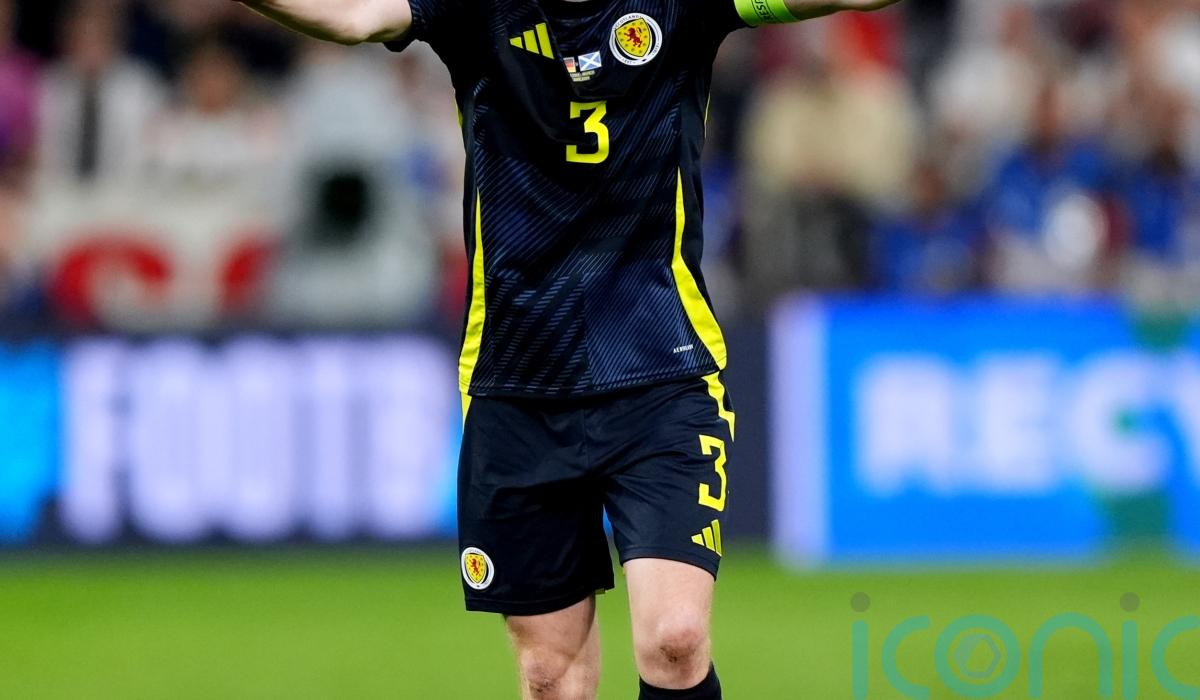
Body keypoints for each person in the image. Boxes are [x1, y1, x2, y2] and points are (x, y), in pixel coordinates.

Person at [232, 0, 902, 698]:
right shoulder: (477, 10)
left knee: (674, 639)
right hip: (518, 380)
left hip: (660, 369)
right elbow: (352, 14)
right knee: (551, 676)